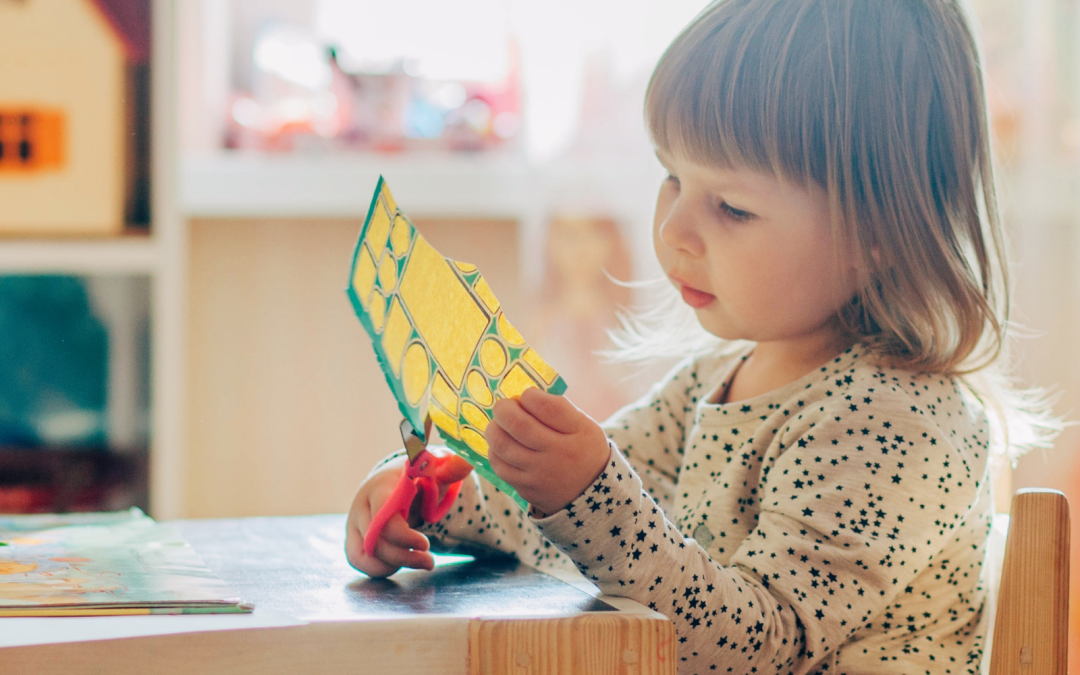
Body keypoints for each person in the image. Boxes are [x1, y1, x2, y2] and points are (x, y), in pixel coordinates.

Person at [345, 1, 1056, 672]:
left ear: (876, 231)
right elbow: (586, 527)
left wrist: (587, 491)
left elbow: (754, 648)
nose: (674, 230)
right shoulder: (719, 377)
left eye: (733, 208)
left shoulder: (900, 424)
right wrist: (435, 495)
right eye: (671, 176)